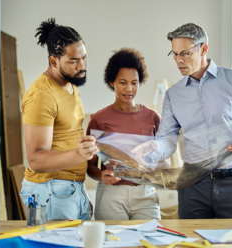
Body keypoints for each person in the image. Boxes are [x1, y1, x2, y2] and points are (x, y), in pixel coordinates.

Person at [133, 23, 232, 219]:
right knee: (191, 245)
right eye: (175, 54)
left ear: (203, 49)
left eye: (185, 53)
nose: (179, 60)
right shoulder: (173, 95)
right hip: (192, 188)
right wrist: (154, 147)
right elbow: (167, 139)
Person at [19, 18, 98, 221]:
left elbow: (67, 138)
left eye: (84, 58)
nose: (82, 66)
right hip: (50, 191)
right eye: (73, 61)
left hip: (68, 191)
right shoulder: (41, 95)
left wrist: (79, 194)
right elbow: (36, 159)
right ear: (54, 61)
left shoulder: (70, 84)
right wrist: (80, 154)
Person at [86, 48, 161, 220]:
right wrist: (102, 176)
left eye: (134, 83)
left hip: (145, 194)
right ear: (112, 82)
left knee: (151, 243)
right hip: (111, 195)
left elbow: (163, 154)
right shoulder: (98, 119)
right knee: (114, 246)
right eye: (122, 82)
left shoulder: (153, 117)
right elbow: (90, 167)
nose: (129, 89)